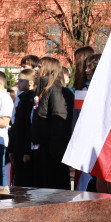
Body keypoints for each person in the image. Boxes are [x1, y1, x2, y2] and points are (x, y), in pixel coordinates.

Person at [31, 56, 75, 189]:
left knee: (53, 186)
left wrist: (54, 151)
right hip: (42, 147)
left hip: (53, 151)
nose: (35, 70)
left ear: (49, 69)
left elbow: (59, 122)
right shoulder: (44, 90)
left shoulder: (57, 91)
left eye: (39, 67)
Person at [8, 68, 37, 187]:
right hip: (17, 146)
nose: (17, 83)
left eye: (21, 81)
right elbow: (16, 126)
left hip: (25, 148)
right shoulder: (22, 99)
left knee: (24, 183)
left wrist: (27, 151)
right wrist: (11, 147)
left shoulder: (31, 100)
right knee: (17, 180)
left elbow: (28, 127)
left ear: (30, 82)